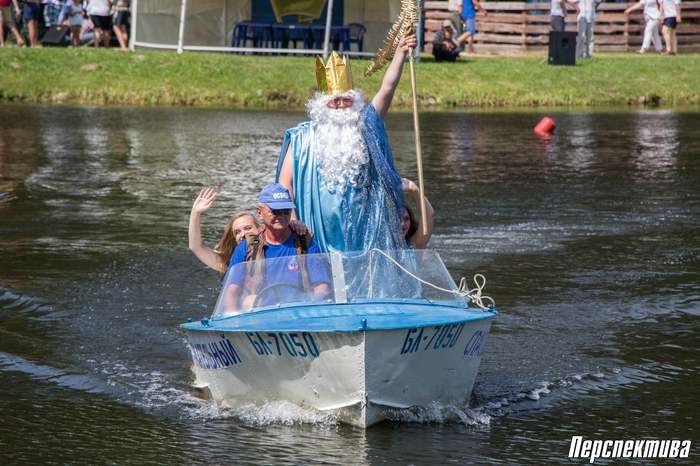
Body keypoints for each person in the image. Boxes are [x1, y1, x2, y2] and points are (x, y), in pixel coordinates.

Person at [277, 32, 418, 254]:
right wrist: (293, 220)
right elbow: (285, 183)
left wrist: (400, 52)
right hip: (315, 223)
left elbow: (387, 89)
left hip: (363, 224)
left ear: (355, 102)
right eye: (335, 100)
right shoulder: (302, 136)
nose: (342, 105)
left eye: (347, 99)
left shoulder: (366, 125)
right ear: (323, 105)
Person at [222, 184, 329, 315]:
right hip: (257, 317)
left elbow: (321, 287)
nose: (282, 216)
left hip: (299, 314)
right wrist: (232, 319)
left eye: (286, 211)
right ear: (260, 213)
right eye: (275, 211)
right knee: (251, 301)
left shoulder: (307, 243)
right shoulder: (246, 246)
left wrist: (314, 311)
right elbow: (231, 291)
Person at [189, 188, 309, 273]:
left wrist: (291, 224)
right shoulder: (228, 261)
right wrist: (195, 212)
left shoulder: (272, 247)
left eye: (248, 228)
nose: (243, 234)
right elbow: (196, 247)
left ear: (259, 230)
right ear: (234, 239)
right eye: (237, 232)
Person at [401, 178, 434, 250]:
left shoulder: (414, 245)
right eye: (398, 219)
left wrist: (413, 188)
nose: (403, 224)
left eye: (406, 219)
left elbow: (428, 214)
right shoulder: (374, 244)